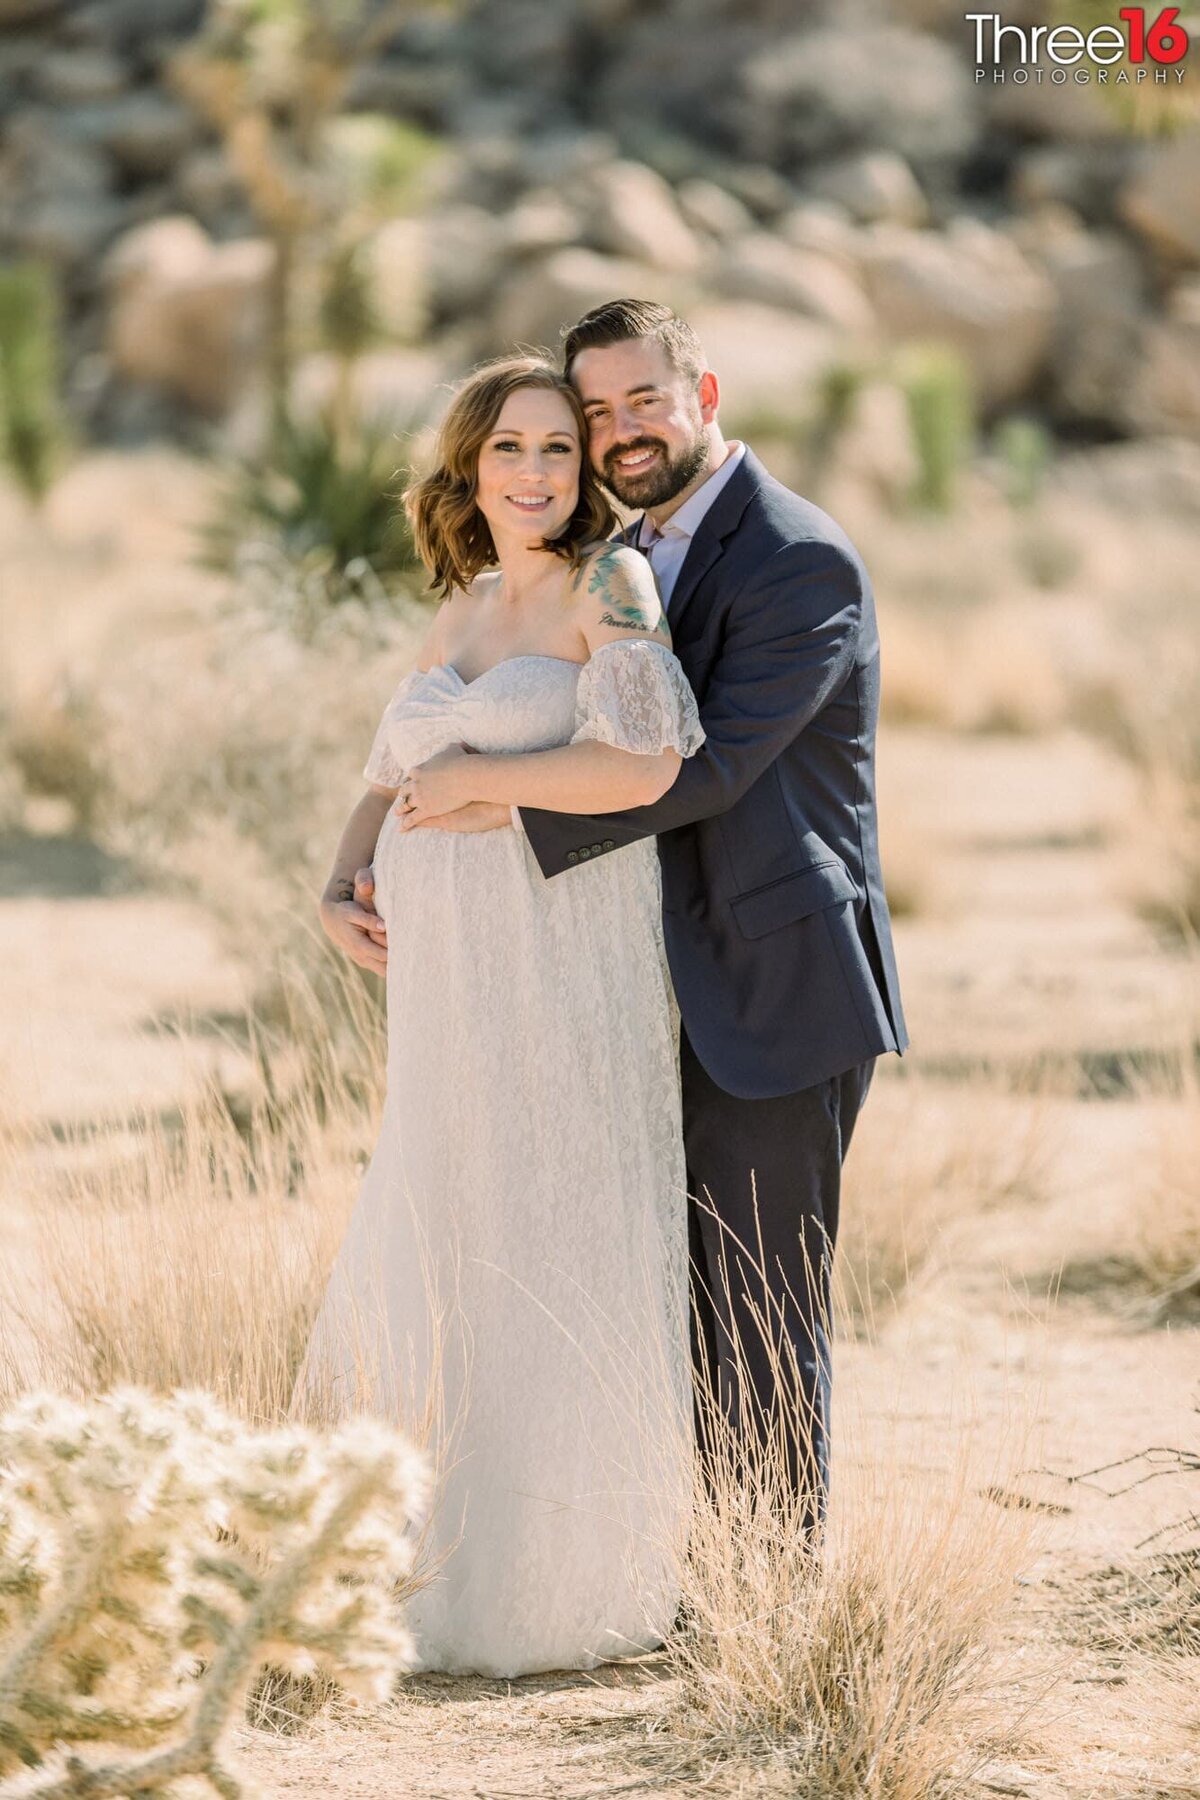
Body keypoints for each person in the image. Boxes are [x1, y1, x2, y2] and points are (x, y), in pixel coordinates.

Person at [349, 300, 908, 1530]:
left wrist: (502, 803)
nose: (616, 432)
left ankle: (762, 1609)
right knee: (655, 1281)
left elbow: (704, 769)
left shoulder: (795, 556)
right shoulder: (624, 554)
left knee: (758, 1305)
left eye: (640, 400)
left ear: (705, 397)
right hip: (624, 977)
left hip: (769, 985)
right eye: (593, 411)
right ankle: (655, 1555)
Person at [298, 354, 705, 1679]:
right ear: (468, 471)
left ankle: (560, 1583)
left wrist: (492, 778)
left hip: (558, 953)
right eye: (508, 450)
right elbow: (390, 759)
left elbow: (648, 760)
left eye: (555, 449)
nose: (535, 474)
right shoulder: (468, 601)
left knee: (553, 1212)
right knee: (449, 1208)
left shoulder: (613, 584)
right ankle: (430, 1562)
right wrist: (342, 874)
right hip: (445, 980)